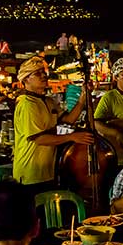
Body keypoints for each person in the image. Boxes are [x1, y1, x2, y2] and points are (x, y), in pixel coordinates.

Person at [13, 57, 91, 190]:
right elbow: (39, 138)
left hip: (47, 171)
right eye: (37, 73)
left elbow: (66, 121)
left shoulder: (48, 101)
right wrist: (71, 137)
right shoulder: (27, 104)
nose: (44, 75)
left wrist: (82, 100)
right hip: (30, 173)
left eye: (43, 72)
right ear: (25, 79)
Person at [95, 58, 123, 159]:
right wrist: (116, 133)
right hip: (119, 155)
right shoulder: (109, 97)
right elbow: (96, 124)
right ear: (116, 77)